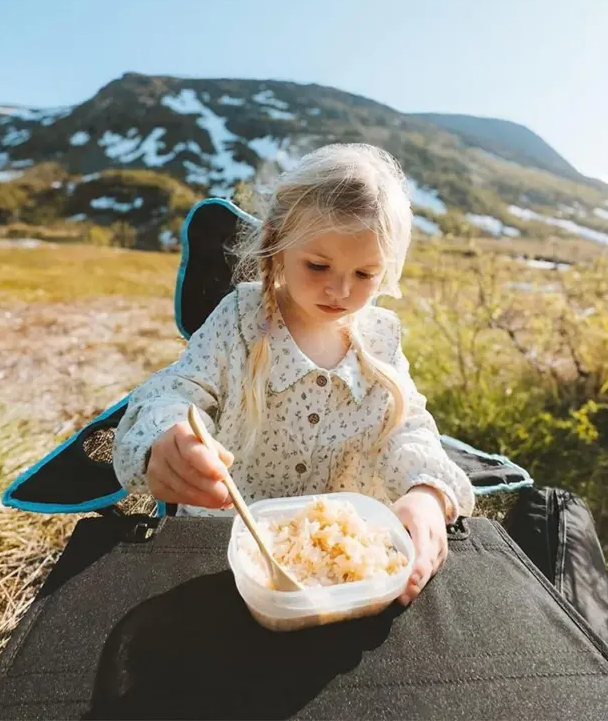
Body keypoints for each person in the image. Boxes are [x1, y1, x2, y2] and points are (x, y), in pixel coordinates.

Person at [112, 143, 475, 606]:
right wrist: (163, 441)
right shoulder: (240, 321)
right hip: (223, 560)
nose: (341, 290)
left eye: (365, 273)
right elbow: (171, 391)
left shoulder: (381, 338)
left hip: (346, 574)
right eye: (318, 265)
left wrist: (427, 490)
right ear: (276, 243)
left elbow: (406, 428)